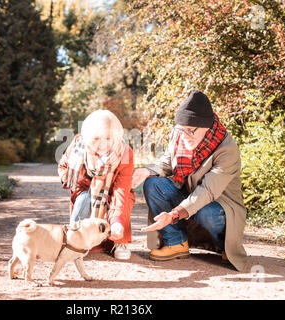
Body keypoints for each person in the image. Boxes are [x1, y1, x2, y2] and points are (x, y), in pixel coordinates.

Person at [132, 90, 248, 272]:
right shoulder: (180, 133)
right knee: (153, 184)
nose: (184, 135)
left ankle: (224, 245)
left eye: (190, 131)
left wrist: (173, 214)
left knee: (205, 210)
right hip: (191, 198)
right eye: (181, 129)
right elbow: (168, 161)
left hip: (218, 206)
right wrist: (147, 170)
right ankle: (176, 243)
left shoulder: (227, 149)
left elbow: (207, 191)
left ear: (207, 126)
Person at [58, 109, 134, 260]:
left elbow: (121, 188)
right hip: (86, 191)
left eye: (108, 138)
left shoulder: (125, 152)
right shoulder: (78, 147)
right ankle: (75, 239)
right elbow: (63, 168)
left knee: (123, 201)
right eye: (97, 138)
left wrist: (117, 221)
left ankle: (119, 241)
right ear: (88, 137)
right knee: (85, 199)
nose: (103, 144)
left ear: (116, 136)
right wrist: (78, 177)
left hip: (114, 192)